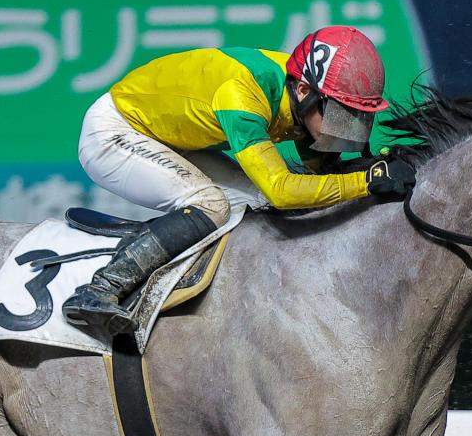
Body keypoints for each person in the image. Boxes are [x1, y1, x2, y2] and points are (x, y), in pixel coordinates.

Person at [62, 26, 418, 336]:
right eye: (342, 115)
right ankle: (100, 289)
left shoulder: (301, 95)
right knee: (212, 206)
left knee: (257, 203)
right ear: (303, 91)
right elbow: (282, 192)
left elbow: (320, 176)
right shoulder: (242, 95)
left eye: (357, 118)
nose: (347, 129)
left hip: (169, 135)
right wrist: (366, 181)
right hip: (114, 132)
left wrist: (373, 167)